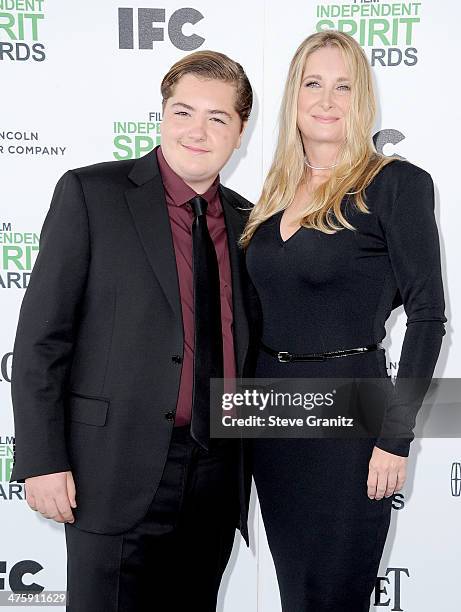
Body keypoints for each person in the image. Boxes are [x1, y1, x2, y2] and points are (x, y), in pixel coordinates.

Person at [10, 50, 259, 612]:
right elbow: (41, 342)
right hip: (109, 469)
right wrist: (42, 458)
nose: (197, 131)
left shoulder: (250, 224)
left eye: (217, 118)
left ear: (240, 132)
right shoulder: (91, 194)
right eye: (182, 112)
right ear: (162, 115)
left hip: (214, 477)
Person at [241, 30, 446, 611]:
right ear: (293, 96)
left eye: (343, 86)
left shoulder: (394, 184)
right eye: (313, 83)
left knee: (333, 596)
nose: (326, 100)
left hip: (352, 418)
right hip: (270, 417)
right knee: (296, 593)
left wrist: (396, 438)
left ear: (362, 100)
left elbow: (428, 316)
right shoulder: (275, 192)